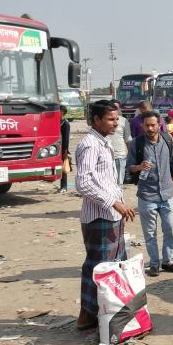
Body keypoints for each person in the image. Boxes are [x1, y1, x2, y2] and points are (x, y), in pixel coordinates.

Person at [74, 100, 136, 331]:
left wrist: (117, 203)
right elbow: (83, 183)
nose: (115, 124)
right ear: (96, 119)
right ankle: (87, 315)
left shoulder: (104, 142)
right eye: (110, 119)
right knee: (98, 267)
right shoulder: (90, 144)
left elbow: (105, 181)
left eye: (117, 119)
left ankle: (103, 314)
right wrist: (114, 203)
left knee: (111, 267)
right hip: (99, 217)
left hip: (111, 215)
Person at [126, 111, 173, 277]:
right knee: (150, 234)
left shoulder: (167, 140)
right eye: (147, 125)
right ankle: (154, 264)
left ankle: (168, 261)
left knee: (170, 230)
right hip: (146, 196)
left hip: (167, 195)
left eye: (153, 125)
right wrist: (139, 167)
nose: (150, 128)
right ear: (142, 126)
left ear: (159, 125)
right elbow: (129, 166)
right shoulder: (136, 144)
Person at [109, 100, 132, 185]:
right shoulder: (104, 121)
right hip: (105, 156)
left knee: (119, 183)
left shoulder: (124, 121)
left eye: (117, 108)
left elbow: (128, 139)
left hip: (119, 156)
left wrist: (130, 157)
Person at [59, 104, 71, 194]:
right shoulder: (56, 122)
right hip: (56, 148)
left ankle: (64, 186)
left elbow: (66, 138)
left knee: (63, 169)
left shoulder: (65, 123)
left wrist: (65, 151)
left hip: (63, 149)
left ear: (62, 113)